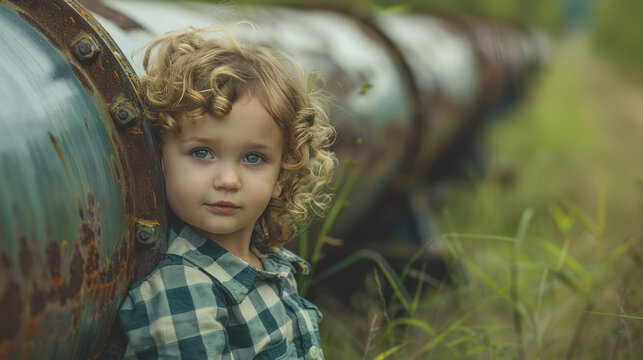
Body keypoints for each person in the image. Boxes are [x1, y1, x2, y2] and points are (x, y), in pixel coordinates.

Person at [118, 26, 336, 359]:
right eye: (202, 153)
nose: (229, 180)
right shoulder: (183, 286)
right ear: (158, 160)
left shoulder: (267, 259)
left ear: (282, 173)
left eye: (254, 158)